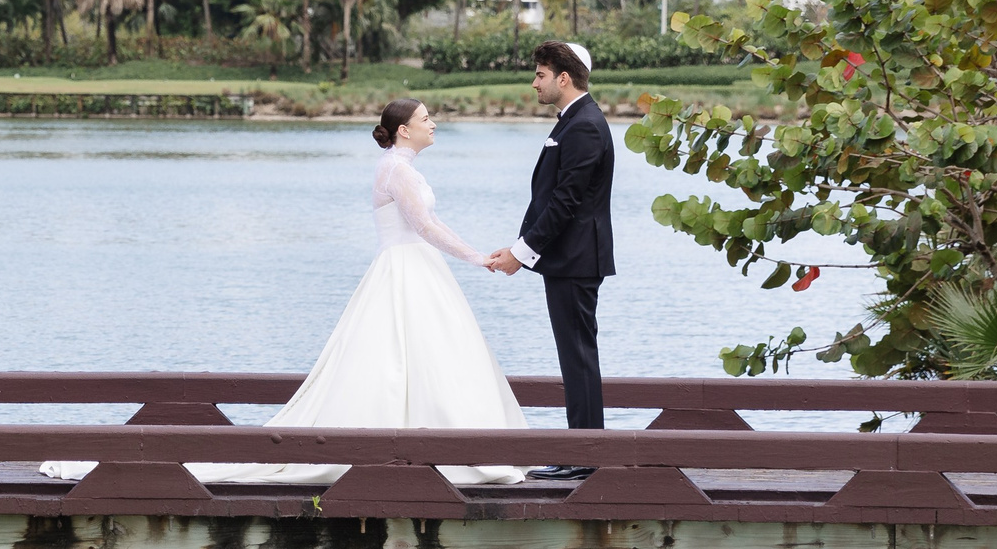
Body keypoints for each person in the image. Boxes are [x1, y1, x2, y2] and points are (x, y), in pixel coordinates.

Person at [43, 98, 527, 488]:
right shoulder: (397, 170)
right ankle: (422, 449)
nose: (433, 124)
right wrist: (475, 258)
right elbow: (422, 225)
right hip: (405, 267)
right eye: (426, 119)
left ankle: (429, 440)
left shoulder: (402, 167)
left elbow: (431, 222)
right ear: (404, 130)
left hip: (415, 268)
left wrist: (473, 253)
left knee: (421, 356)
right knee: (399, 357)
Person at [483, 41, 614, 481]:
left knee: (578, 357)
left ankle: (587, 457)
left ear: (563, 77)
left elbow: (565, 202)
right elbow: (548, 198)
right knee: (574, 357)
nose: (534, 82)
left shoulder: (585, 126)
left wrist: (521, 254)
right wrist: (519, 245)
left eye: (540, 74)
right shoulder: (574, 121)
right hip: (567, 260)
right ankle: (582, 451)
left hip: (576, 260)